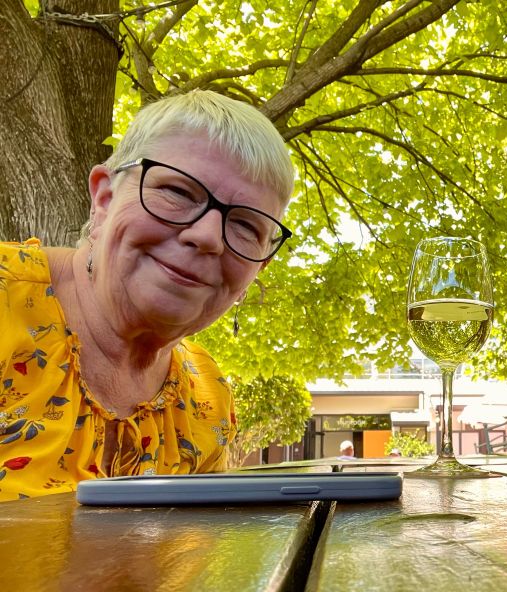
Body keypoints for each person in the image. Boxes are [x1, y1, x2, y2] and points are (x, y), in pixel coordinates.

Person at [0, 90, 295, 500]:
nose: (208, 237)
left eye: (247, 226)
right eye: (177, 192)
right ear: (104, 198)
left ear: (258, 267)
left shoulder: (207, 399)